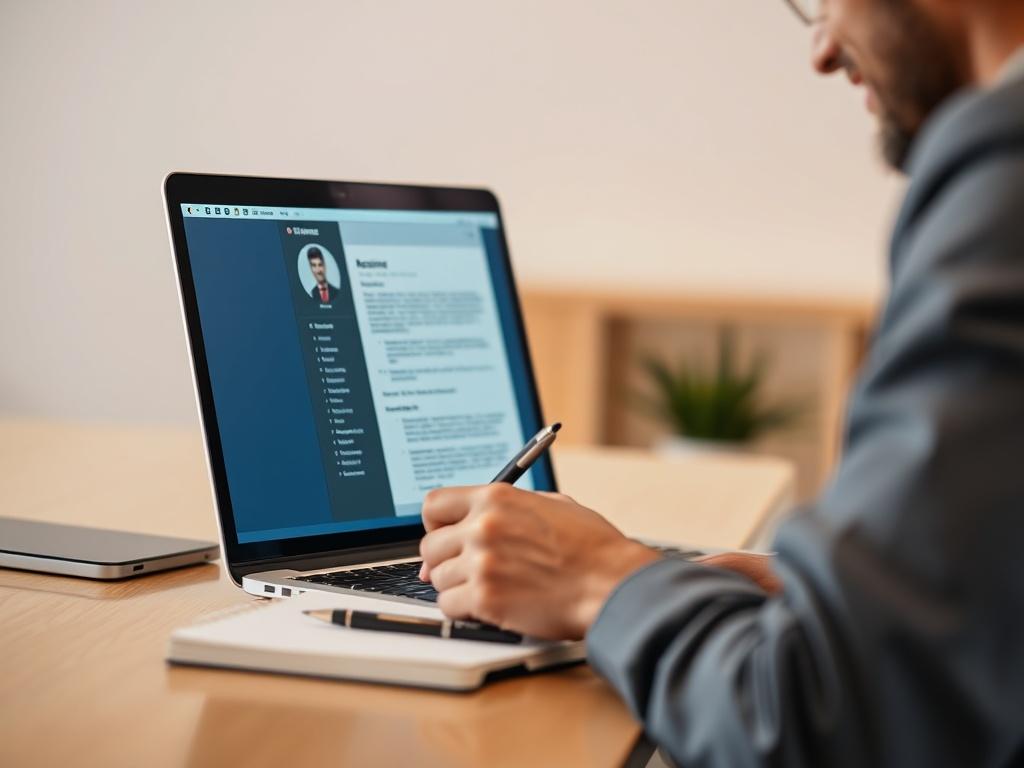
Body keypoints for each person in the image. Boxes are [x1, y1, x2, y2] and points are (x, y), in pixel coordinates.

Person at [418, 0, 1024, 765]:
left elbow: (805, 721)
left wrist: (602, 580)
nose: (823, 48)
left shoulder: (1007, 173)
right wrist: (849, 601)